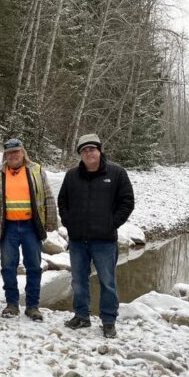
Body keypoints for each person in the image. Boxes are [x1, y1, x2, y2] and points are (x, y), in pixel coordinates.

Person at [58, 133, 135, 339]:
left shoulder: (117, 173)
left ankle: (108, 320)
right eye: (84, 150)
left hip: (104, 241)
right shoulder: (72, 175)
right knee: (78, 280)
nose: (88, 153)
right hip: (77, 240)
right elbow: (62, 201)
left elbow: (127, 202)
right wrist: (68, 221)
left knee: (107, 281)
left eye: (92, 149)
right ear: (80, 154)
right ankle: (81, 315)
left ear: (99, 150)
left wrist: (111, 223)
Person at [0, 138, 57, 321]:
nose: (13, 155)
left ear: (23, 152)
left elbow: (47, 196)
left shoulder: (36, 170)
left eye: (16, 151)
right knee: (8, 267)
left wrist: (51, 221)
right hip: (7, 227)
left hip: (31, 226)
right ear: (5, 155)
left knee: (33, 267)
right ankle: (12, 304)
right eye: (9, 152)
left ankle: (32, 306)